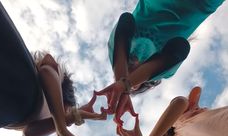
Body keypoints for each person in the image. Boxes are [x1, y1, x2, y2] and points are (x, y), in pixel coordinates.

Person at [0, 0, 106, 136]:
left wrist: (69, 120)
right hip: (20, 90)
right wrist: (63, 122)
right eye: (66, 111)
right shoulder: (47, 94)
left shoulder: (34, 119)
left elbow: (29, 134)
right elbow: (48, 70)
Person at [96, 0, 224, 123]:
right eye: (135, 83)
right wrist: (127, 85)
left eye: (126, 73)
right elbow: (180, 47)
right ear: (146, 80)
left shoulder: (118, 49)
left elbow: (126, 20)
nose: (130, 73)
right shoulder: (164, 70)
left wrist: (122, 83)